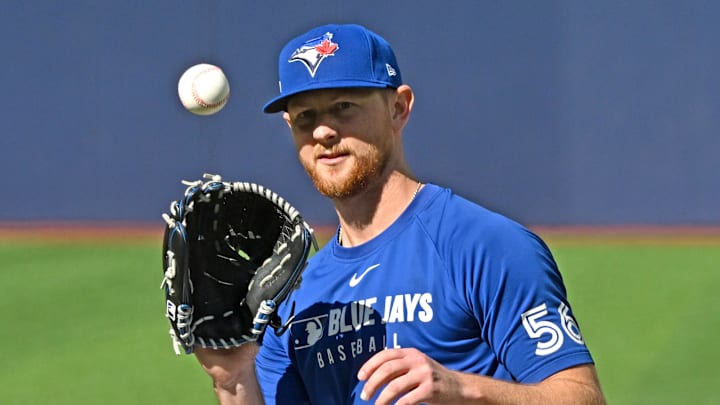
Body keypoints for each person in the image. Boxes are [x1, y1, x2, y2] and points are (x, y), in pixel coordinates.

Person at [194, 23, 606, 405]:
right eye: (306, 117)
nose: (323, 131)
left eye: (343, 106)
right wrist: (233, 381)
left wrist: (463, 388)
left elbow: (581, 396)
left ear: (399, 107)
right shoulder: (295, 295)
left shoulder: (484, 245)